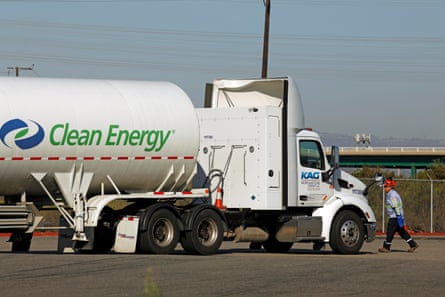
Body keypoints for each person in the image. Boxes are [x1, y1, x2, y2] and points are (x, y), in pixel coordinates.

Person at [378, 178, 419, 253]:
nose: (384, 188)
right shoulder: (391, 194)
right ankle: (413, 244)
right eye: (384, 186)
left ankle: (386, 247)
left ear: (390, 187)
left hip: (395, 217)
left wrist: (399, 217)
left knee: (390, 232)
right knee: (402, 232)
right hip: (396, 216)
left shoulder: (392, 195)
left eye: (386, 186)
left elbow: (396, 206)